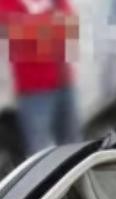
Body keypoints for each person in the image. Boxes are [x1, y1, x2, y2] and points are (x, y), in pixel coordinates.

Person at [0, 0, 82, 156]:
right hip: (34, 90)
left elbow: (69, 22)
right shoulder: (7, 3)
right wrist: (52, 27)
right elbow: (16, 34)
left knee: (74, 146)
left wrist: (38, 30)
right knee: (40, 152)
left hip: (64, 81)